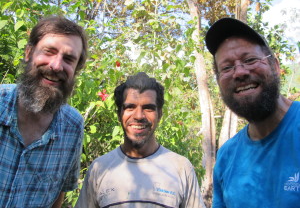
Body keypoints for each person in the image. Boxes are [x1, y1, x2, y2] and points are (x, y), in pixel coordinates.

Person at [205, 17, 300, 208]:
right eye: (227, 67)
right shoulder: (226, 158)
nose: (239, 72)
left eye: (250, 60)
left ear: (275, 66)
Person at [75, 72, 206, 208]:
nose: (138, 116)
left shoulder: (181, 168)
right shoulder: (99, 169)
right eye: (130, 107)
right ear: (119, 114)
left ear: (159, 114)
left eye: (148, 108)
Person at [0, 16, 88, 208]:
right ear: (28, 53)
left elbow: (58, 196)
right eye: (49, 52)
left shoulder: (72, 127)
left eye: (68, 59)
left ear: (76, 70)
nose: (56, 66)